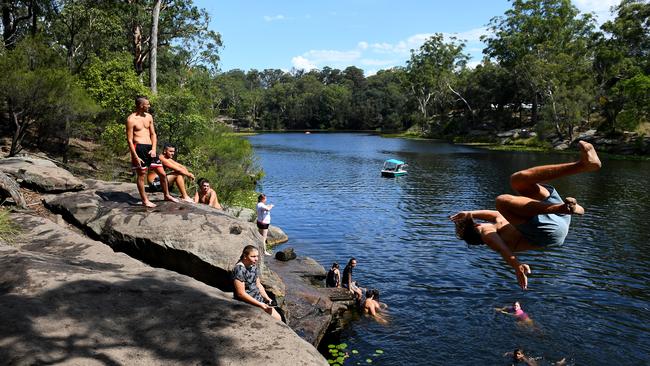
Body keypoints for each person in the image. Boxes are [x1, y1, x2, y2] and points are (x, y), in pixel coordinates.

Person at [450, 141, 602, 289]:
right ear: (477, 226)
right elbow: (503, 249)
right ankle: (561, 208)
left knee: (518, 180)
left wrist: (469, 213)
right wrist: (517, 266)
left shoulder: (497, 223)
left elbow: (493, 214)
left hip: (551, 215)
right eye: (476, 221)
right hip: (549, 229)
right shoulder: (486, 234)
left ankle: (584, 165)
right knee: (502, 201)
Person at [126, 96, 179, 207]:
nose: (149, 106)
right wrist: (135, 156)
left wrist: (154, 148)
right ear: (141, 105)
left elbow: (153, 134)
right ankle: (145, 200)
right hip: (139, 148)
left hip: (150, 148)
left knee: (162, 174)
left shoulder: (149, 117)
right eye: (147, 104)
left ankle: (166, 195)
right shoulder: (131, 119)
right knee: (142, 175)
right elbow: (130, 140)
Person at [232, 245, 282, 321]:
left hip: (258, 298)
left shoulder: (253, 266)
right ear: (245, 256)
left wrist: (267, 299)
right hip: (248, 301)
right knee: (275, 319)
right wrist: (260, 304)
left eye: (257, 256)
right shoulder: (239, 269)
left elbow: (258, 285)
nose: (256, 259)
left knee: (278, 318)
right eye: (253, 256)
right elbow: (241, 293)